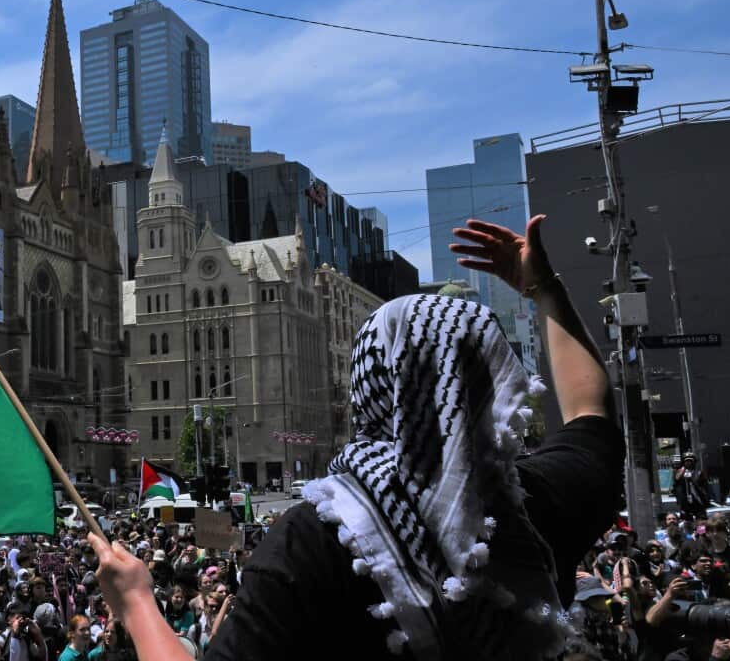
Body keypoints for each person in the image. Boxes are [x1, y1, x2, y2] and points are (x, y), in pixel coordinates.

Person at [91, 215, 624, 659]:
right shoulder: (535, 505)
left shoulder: (315, 541)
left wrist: (138, 603)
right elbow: (590, 413)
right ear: (495, 381)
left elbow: (590, 412)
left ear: (371, 385)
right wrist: (543, 287)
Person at [673, 453, 710, 519]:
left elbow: (705, 488)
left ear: (694, 462)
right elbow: (676, 481)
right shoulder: (680, 473)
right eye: (686, 461)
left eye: (690, 461)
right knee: (687, 524)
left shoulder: (699, 473)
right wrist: (682, 471)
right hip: (685, 504)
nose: (688, 463)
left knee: (701, 523)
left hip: (698, 503)